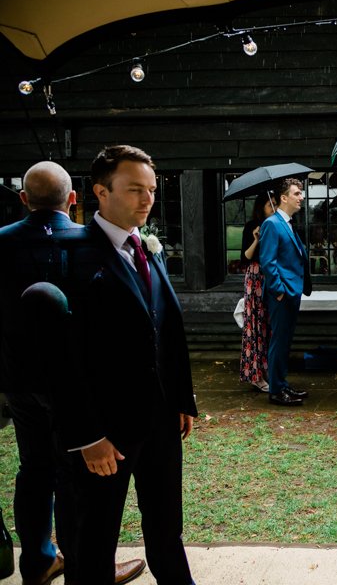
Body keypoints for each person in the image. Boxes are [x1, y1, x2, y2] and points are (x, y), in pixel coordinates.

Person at [0, 161, 145, 585]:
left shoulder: (1, 244)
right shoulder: (89, 242)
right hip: (76, 383)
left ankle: (38, 561)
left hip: (18, 378)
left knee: (33, 468)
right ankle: (83, 564)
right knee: (72, 475)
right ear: (74, 199)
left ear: (24, 200)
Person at [56, 145, 196, 584]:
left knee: (166, 527)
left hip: (159, 420)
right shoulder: (71, 254)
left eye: (152, 189)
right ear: (100, 191)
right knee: (94, 537)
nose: (147, 199)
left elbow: (167, 329)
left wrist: (181, 399)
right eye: (135, 189)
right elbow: (62, 358)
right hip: (105, 431)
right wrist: (86, 436)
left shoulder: (147, 247)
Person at [258, 177, 312, 407]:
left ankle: (282, 383)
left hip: (293, 292)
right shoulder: (272, 224)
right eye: (297, 194)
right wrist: (279, 291)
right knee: (279, 341)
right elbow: (267, 262)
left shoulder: (288, 223)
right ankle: (276, 390)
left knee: (285, 341)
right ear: (283, 198)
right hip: (282, 294)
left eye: (301, 193)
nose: (301, 197)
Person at [239, 192, 277, 393]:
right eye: (271, 206)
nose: (275, 209)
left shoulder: (277, 225)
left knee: (270, 325)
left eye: (276, 205)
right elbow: (245, 257)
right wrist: (256, 239)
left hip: (272, 278)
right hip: (255, 277)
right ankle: (255, 374)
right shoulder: (252, 226)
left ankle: (270, 370)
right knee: (256, 325)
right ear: (262, 207)